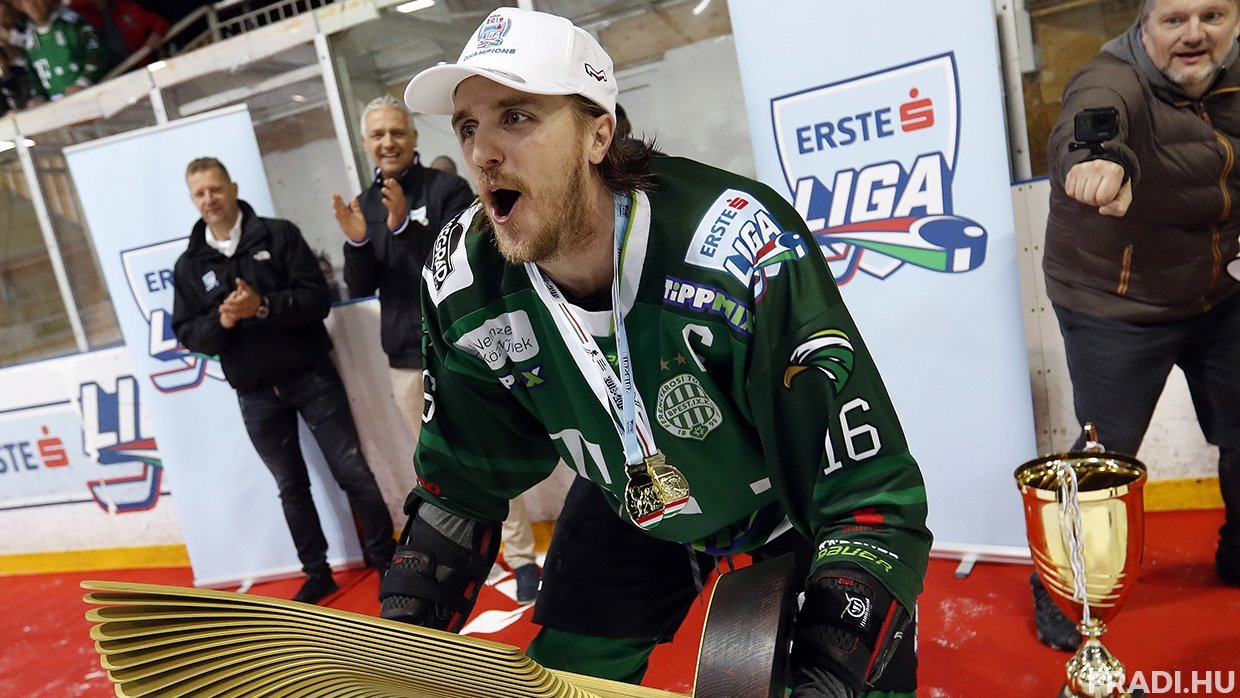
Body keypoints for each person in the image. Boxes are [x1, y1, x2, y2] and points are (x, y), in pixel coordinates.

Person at [378, 8, 930, 697]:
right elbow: (460, 484)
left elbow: (867, 503)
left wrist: (829, 668)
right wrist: (391, 649)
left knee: (853, 675)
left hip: (784, 502)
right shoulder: (465, 276)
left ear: (598, 134)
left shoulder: (738, 246)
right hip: (632, 493)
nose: (482, 153)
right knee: (563, 678)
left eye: (515, 117)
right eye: (467, 126)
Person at [1039, 0, 1240, 650]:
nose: (1194, 34)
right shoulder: (1112, 76)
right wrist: (1095, 161)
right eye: (1174, 19)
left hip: (1219, 291)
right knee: (1107, 455)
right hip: (1115, 303)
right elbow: (1092, 119)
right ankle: (1066, 596)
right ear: (1144, 25)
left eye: (1213, 15)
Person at [330, 95, 542, 603]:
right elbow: (361, 283)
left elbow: (461, 264)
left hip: (461, 351)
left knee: (487, 456)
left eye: (396, 132)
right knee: (440, 471)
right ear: (365, 143)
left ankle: (520, 557)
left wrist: (404, 227)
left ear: (413, 137)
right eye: (377, 135)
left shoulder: (448, 190)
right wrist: (358, 242)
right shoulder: (365, 203)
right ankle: (464, 557)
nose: (387, 142)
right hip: (405, 357)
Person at [172, 156, 396, 605]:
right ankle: (317, 573)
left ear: (233, 188)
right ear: (193, 199)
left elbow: (317, 300)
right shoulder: (189, 265)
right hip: (254, 393)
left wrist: (263, 306)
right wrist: (223, 321)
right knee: (290, 487)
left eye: (215, 188)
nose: (209, 199)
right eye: (200, 193)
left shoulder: (279, 235)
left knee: (353, 471)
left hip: (311, 376)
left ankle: (386, 560)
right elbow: (188, 333)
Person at [12, 0, 109, 103]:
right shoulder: (29, 42)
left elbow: (97, 53)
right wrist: (37, 98)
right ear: (20, 6)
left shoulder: (73, 23)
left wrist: (83, 82)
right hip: (57, 107)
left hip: (92, 95)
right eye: (26, 1)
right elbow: (34, 79)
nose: (33, 4)